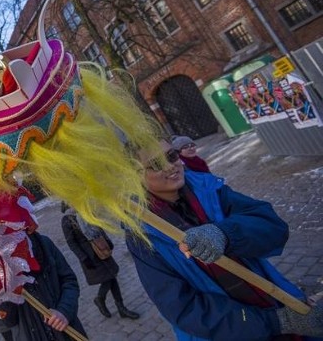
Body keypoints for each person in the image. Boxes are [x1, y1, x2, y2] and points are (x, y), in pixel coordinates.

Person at [126, 138, 323, 340]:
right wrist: (278, 322)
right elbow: (182, 308)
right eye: (157, 164)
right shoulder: (142, 236)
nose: (171, 166)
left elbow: (272, 226)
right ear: (136, 175)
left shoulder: (208, 188)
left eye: (171, 156)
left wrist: (225, 234)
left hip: (274, 298)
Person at [0, 231, 87, 341]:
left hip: (67, 333)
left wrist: (64, 311)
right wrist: (3, 291)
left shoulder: (44, 244)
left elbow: (69, 281)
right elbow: (8, 321)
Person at [61, 203, 139, 320]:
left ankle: (121, 308)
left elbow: (98, 226)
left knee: (112, 276)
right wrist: (83, 258)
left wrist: (107, 241)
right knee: (108, 279)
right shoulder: (67, 219)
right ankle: (100, 299)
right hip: (90, 256)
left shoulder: (85, 210)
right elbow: (71, 242)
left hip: (101, 248)